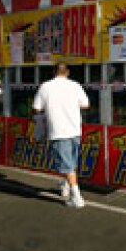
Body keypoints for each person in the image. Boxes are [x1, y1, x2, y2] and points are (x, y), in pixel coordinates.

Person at [33, 62, 90, 208]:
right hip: (75, 129)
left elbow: (36, 108)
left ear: (54, 72)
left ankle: (77, 198)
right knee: (70, 162)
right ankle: (65, 186)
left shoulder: (46, 86)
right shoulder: (75, 85)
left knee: (67, 164)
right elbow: (85, 104)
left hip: (58, 130)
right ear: (68, 72)